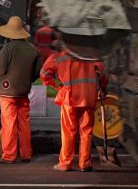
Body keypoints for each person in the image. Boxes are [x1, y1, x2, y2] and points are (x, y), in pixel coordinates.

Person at [40, 38, 106, 172]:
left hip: (69, 98)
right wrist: (103, 89)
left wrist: (57, 86)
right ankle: (85, 164)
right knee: (86, 131)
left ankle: (65, 163)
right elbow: (103, 74)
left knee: (68, 131)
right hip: (88, 98)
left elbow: (44, 73)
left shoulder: (59, 57)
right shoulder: (91, 57)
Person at [0, 16, 42, 164]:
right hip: (23, 91)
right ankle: (26, 154)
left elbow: (0, 70)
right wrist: (26, 80)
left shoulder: (7, 48)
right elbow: (37, 72)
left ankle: (9, 155)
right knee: (24, 123)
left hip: (7, 93)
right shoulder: (34, 50)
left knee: (9, 123)